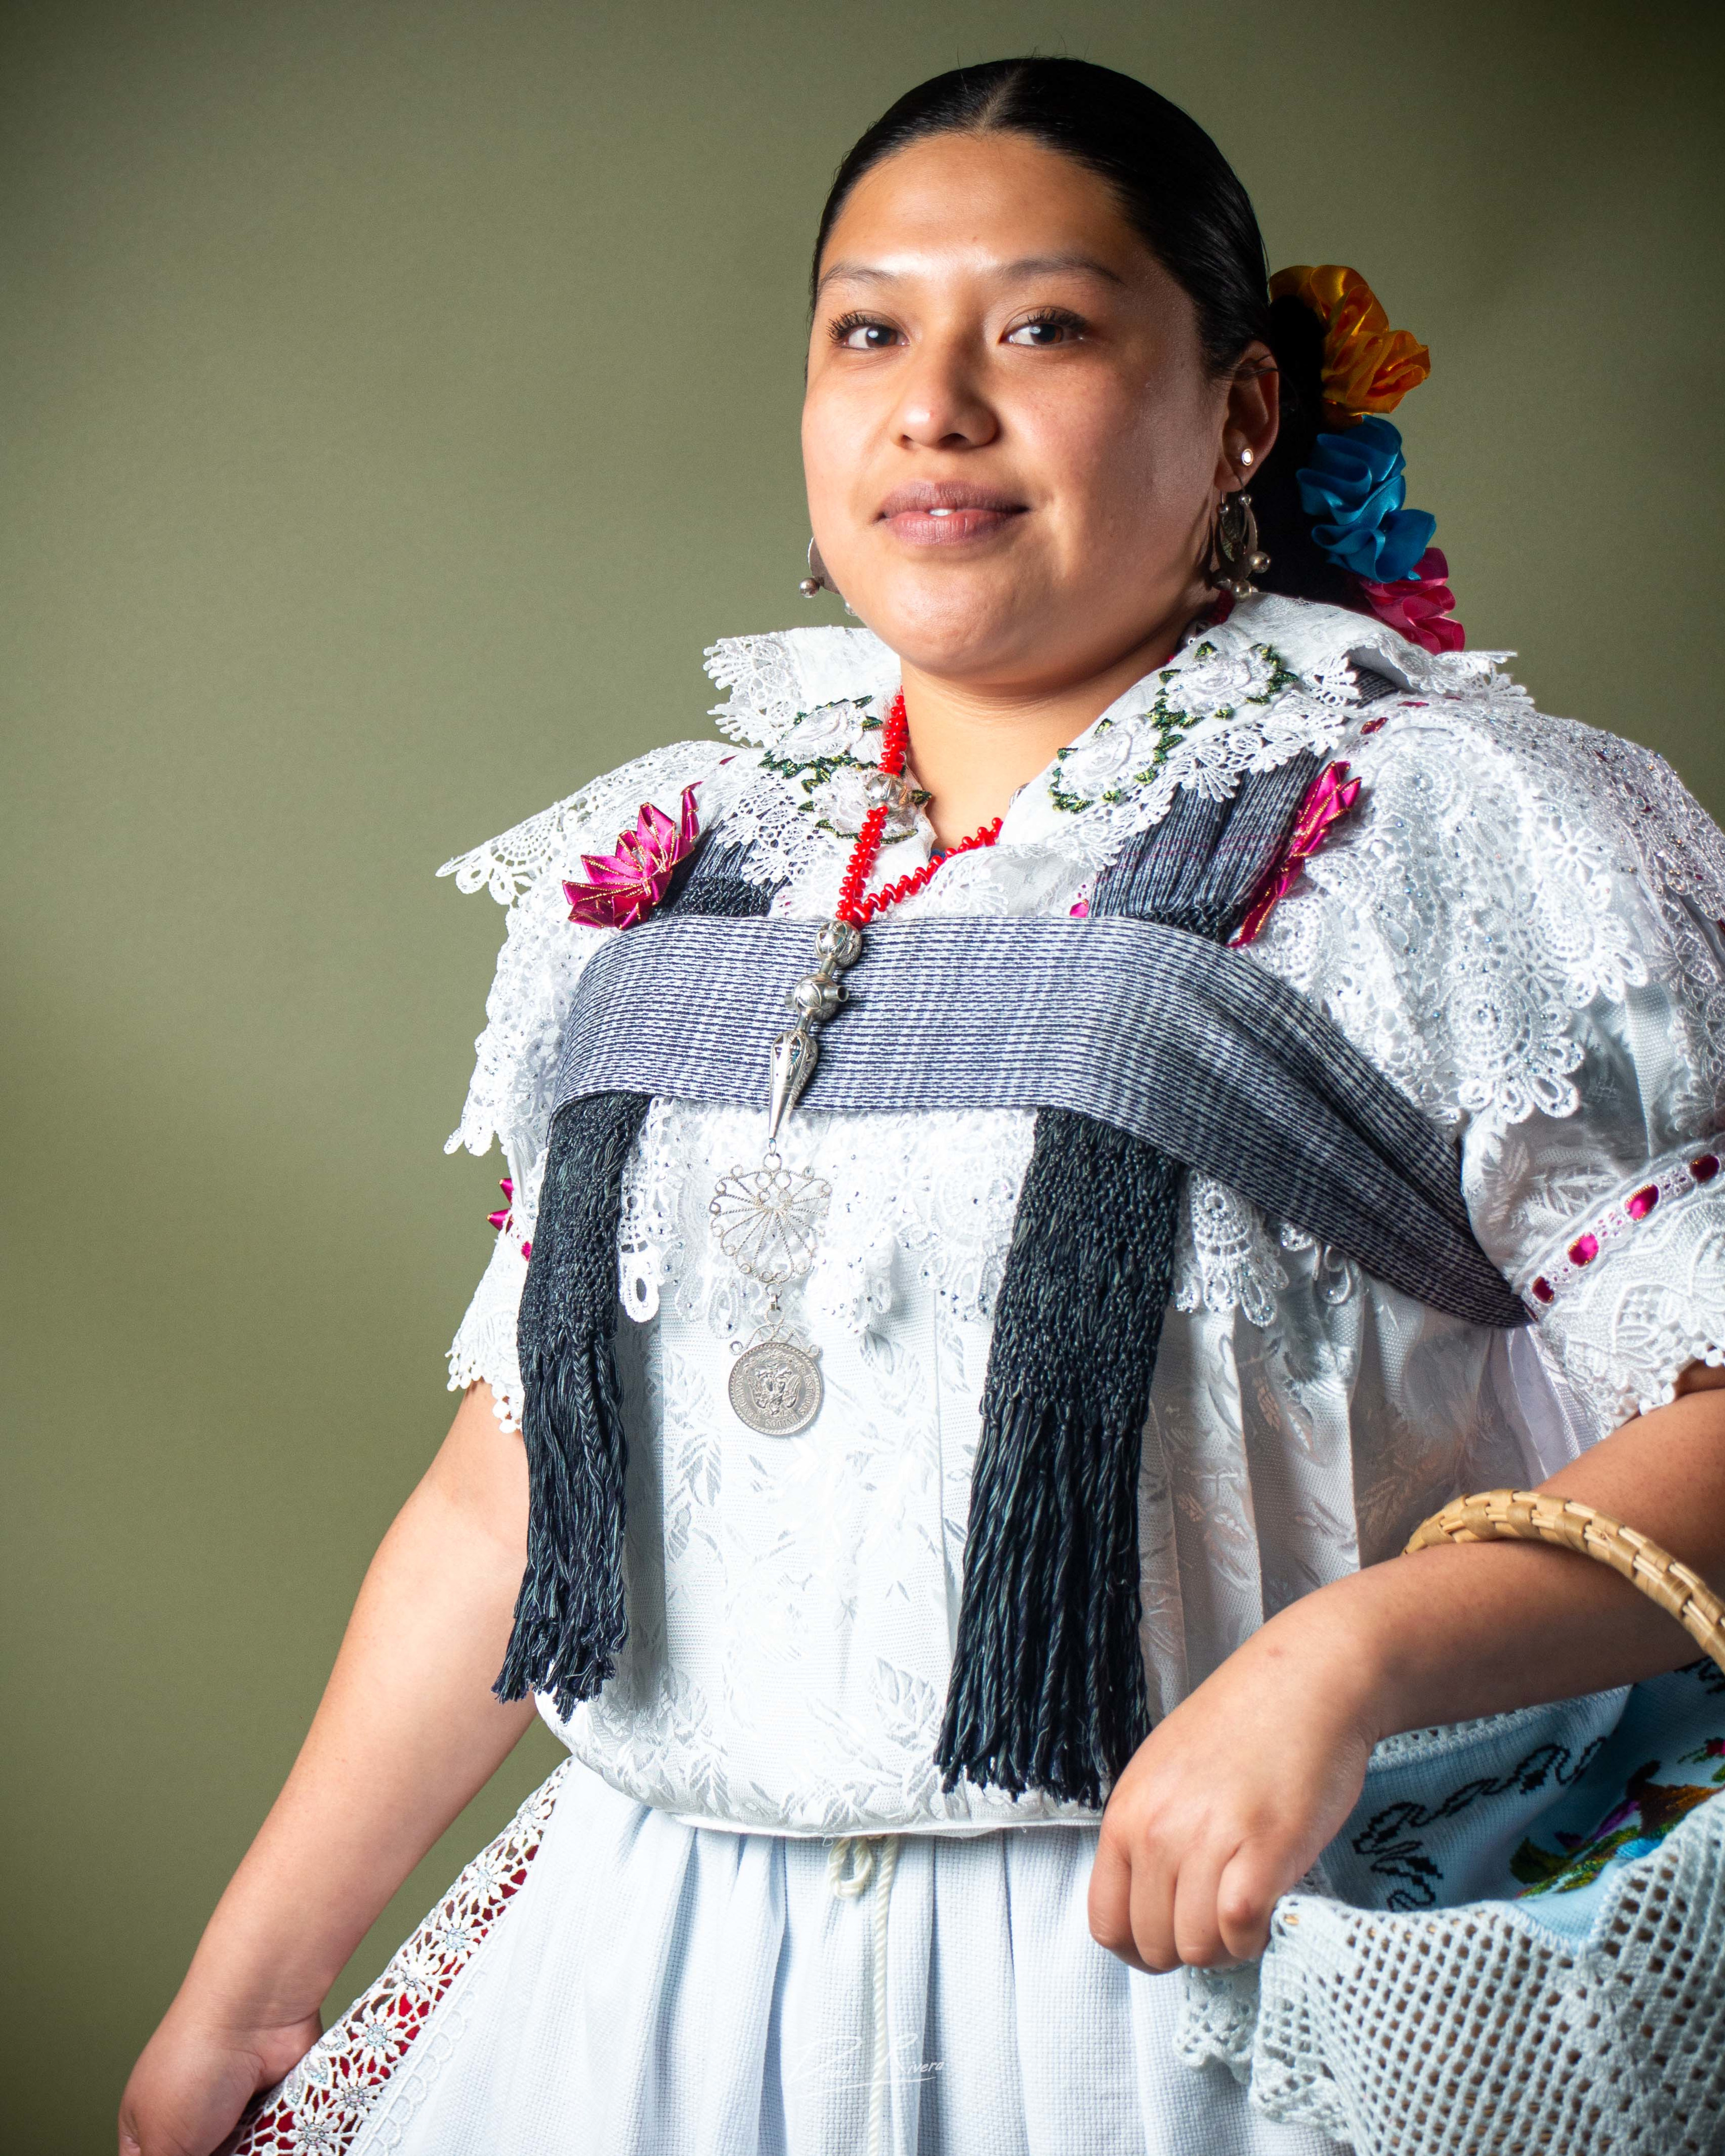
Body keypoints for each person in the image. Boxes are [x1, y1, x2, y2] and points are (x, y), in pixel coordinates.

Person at [119, 56, 1725, 2156]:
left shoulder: (1451, 835)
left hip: (1182, 1993)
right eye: (868, 332)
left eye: (1041, 328)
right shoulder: (677, 864)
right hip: (653, 1997)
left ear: (1245, 412)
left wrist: (1344, 1660)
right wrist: (242, 1995)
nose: (934, 408)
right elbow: (509, 1500)